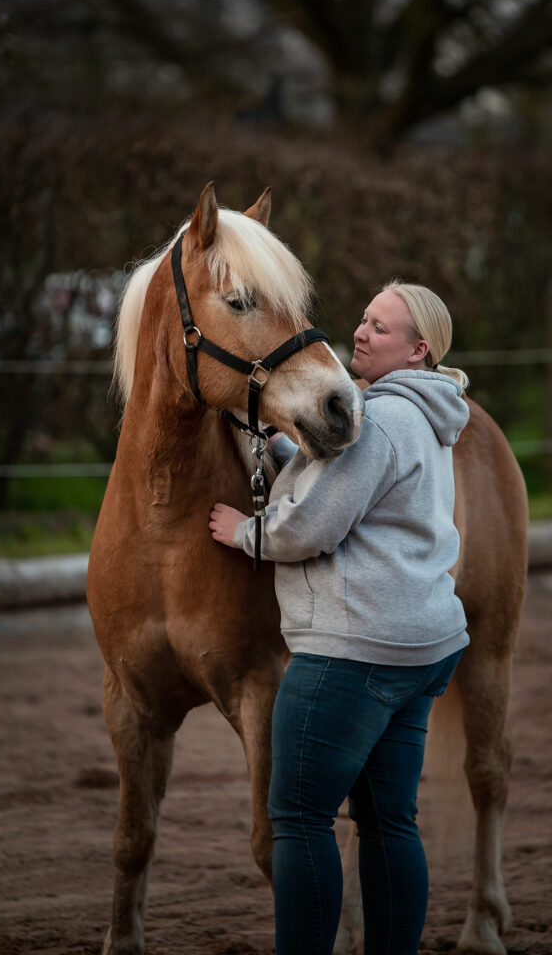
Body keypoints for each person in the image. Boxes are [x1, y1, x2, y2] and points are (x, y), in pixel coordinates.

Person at [209, 281, 470, 955]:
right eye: (363, 319)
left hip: (354, 653)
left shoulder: (380, 416)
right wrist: (283, 452)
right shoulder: (428, 412)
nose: (359, 332)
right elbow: (358, 485)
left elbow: (313, 528)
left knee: (297, 817)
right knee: (390, 823)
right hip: (422, 648)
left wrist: (246, 532)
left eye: (380, 329)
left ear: (417, 350)